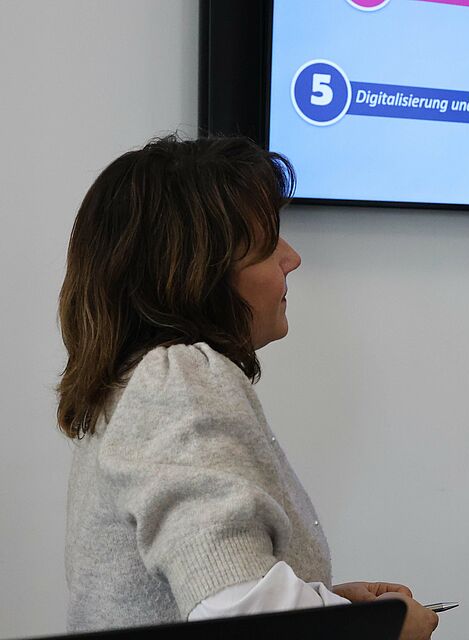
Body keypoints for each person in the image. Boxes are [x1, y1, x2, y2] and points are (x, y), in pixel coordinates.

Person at [57, 135, 438, 638]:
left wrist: (326, 602)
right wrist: (385, 627)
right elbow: (237, 609)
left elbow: (214, 596)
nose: (292, 258)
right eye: (268, 244)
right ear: (198, 273)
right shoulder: (174, 383)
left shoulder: (134, 384)